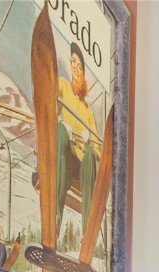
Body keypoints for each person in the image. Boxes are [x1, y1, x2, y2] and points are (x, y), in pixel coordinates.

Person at [56, 42, 100, 234]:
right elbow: (51, 105)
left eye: (79, 65)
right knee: (61, 131)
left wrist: (90, 141)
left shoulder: (88, 111)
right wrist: (61, 122)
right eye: (73, 61)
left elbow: (98, 150)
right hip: (65, 153)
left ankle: (87, 230)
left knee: (90, 154)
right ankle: (55, 215)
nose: (76, 66)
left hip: (81, 164)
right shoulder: (63, 86)